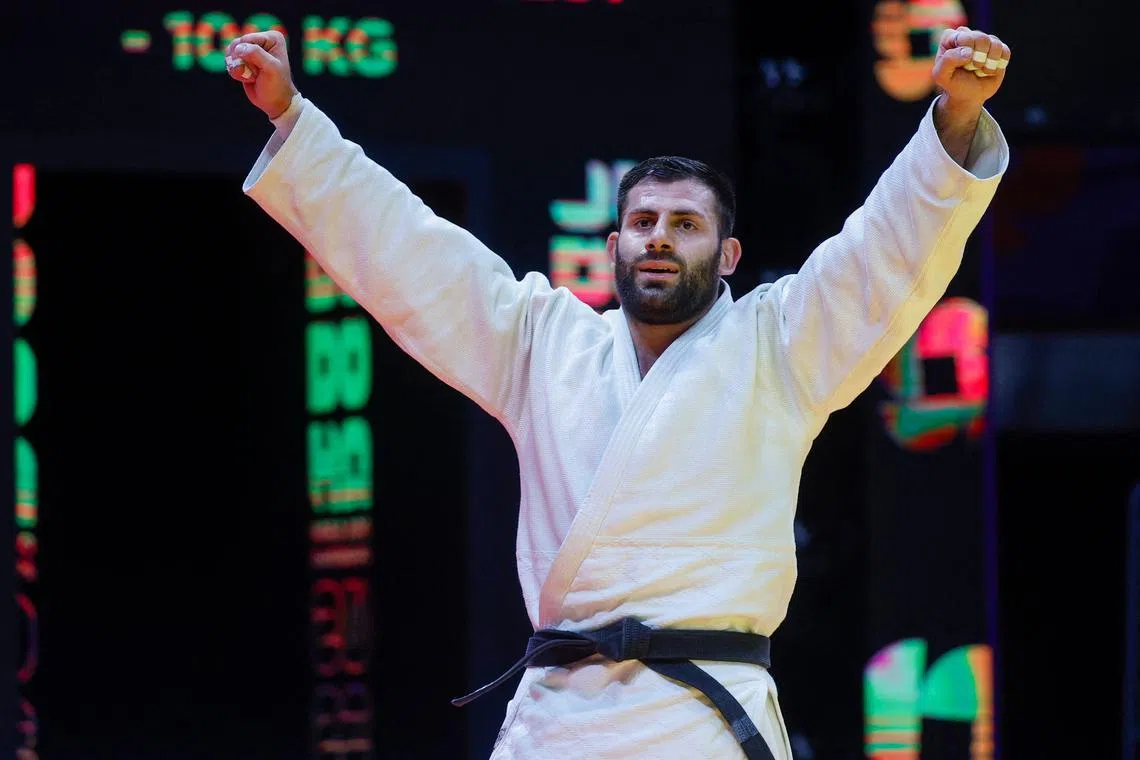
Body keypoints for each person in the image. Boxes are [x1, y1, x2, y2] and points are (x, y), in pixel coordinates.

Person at [225, 26, 1011, 760]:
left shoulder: (779, 345)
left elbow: (885, 253)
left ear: (729, 252)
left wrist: (954, 119)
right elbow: (409, 253)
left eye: (685, 224)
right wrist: (293, 119)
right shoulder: (542, 343)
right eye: (642, 221)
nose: (659, 236)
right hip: (560, 719)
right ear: (613, 248)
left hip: (703, 720)